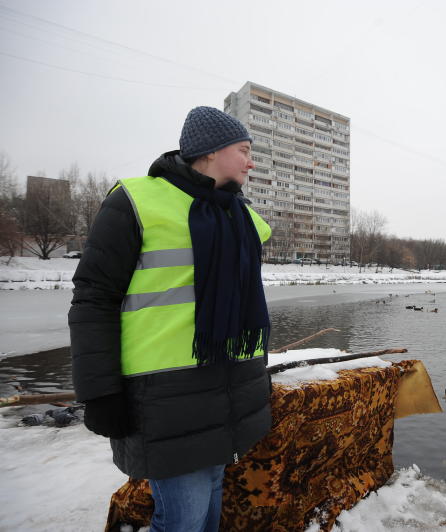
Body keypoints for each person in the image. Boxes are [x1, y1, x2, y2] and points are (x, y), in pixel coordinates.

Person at [69, 106, 273, 532]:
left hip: (233, 391)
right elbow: (94, 300)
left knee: (210, 511)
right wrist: (100, 392)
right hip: (166, 398)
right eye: (244, 150)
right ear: (211, 152)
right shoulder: (136, 202)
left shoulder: (242, 218)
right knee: (183, 520)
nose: (252, 161)